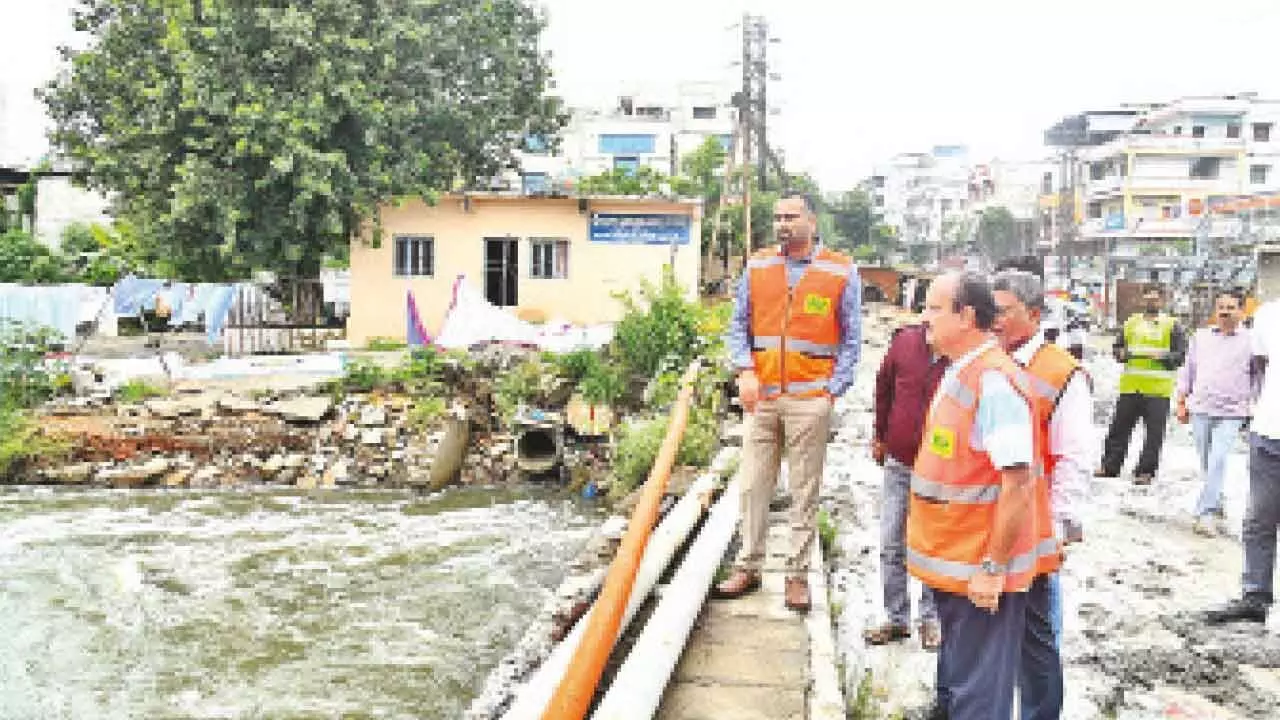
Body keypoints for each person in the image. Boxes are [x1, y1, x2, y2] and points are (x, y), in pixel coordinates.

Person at [908, 271, 1060, 720]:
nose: (924, 318)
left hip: (979, 569)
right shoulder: (963, 371)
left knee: (978, 693)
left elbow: (1018, 481)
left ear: (967, 316)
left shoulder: (993, 382)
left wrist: (993, 569)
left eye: (934, 308)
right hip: (957, 562)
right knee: (962, 680)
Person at [716, 193, 862, 612]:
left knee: (804, 491)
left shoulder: (839, 270)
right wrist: (744, 371)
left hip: (810, 400)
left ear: (811, 222)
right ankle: (748, 566)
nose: (782, 224)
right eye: (778, 217)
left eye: (791, 217)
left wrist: (832, 391)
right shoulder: (758, 265)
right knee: (753, 486)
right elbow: (737, 326)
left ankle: (796, 576)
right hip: (762, 398)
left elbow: (851, 338)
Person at [993, 270, 1092, 720]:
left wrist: (1061, 523)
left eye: (1004, 311)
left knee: (1036, 637)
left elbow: (1073, 456)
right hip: (989, 516)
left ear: (1034, 315)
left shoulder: (1061, 373)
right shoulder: (986, 359)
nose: (994, 319)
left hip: (1035, 523)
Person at [864, 322, 948, 651]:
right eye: (931, 308)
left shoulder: (961, 354)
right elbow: (883, 387)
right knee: (891, 541)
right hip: (899, 461)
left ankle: (930, 619)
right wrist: (880, 435)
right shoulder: (906, 342)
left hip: (940, 469)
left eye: (940, 309)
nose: (933, 317)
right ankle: (896, 618)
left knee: (932, 545)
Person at [1204, 297, 1280, 625]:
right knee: (1259, 520)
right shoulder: (1268, 315)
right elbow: (1261, 367)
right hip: (1269, 434)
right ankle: (1255, 596)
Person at [1175, 290, 1254, 537]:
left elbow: (1259, 376)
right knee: (1207, 462)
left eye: (1231, 307)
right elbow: (1188, 370)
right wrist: (1181, 400)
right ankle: (1216, 500)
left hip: (1233, 411)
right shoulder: (1201, 337)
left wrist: (1256, 407)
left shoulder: (1251, 341)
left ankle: (1205, 513)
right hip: (1201, 407)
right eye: (1221, 307)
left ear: (1242, 311)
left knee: (1218, 458)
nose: (1225, 312)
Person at [1097, 285, 1186, 485]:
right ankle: (1110, 466)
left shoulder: (1172, 326)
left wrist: (1162, 356)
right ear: (1142, 299)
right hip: (1131, 387)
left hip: (1158, 390)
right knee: (1118, 429)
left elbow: (1180, 356)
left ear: (1162, 301)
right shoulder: (1131, 323)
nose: (1151, 302)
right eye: (1148, 298)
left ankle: (1145, 472)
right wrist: (1120, 353)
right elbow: (1118, 348)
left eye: (1155, 299)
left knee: (1153, 435)